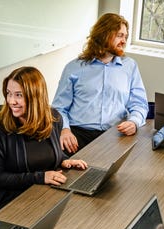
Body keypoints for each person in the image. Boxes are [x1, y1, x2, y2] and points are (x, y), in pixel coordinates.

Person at [0, 66, 87, 213]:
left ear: (35, 96)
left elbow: (46, 152)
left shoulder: (53, 118)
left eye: (18, 95)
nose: (11, 101)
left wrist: (64, 160)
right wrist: (40, 177)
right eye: (8, 93)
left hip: (45, 191)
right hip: (14, 198)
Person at [52, 13, 148, 153]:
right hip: (78, 135)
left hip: (115, 135)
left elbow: (139, 104)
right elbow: (59, 108)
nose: (124, 41)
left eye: (125, 37)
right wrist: (64, 129)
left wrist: (134, 122)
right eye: (119, 36)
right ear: (104, 35)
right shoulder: (74, 68)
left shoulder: (130, 66)